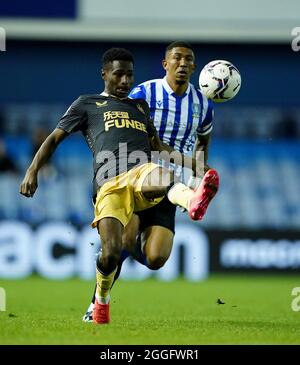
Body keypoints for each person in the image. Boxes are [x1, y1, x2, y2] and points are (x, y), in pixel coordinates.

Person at [19, 47, 219, 325]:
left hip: (142, 172)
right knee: (112, 252)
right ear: (104, 75)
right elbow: (54, 138)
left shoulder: (139, 108)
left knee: (158, 238)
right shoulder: (88, 103)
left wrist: (198, 167)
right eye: (119, 75)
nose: (126, 81)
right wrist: (32, 171)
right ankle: (99, 301)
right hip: (109, 181)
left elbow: (159, 147)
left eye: (129, 76)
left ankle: (191, 201)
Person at [82, 41, 218, 322]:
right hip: (135, 176)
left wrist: (194, 179)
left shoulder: (203, 105)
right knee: (119, 242)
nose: (182, 63)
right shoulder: (144, 92)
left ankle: (128, 249)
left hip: (172, 185)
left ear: (194, 67)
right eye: (176, 58)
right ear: (165, 64)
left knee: (156, 258)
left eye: (188, 59)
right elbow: (115, 120)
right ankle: (96, 303)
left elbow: (203, 142)